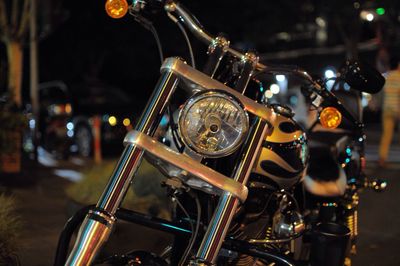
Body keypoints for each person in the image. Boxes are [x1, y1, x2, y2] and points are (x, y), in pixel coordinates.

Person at [378, 56, 400, 167]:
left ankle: (382, 158)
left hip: (387, 109)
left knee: (386, 135)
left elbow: (381, 94)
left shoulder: (385, 77)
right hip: (398, 109)